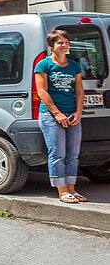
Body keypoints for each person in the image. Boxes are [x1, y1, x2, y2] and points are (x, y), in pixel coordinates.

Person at [35, 29, 86, 203]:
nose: (64, 45)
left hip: (71, 114)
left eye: (67, 42)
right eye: (60, 43)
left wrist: (78, 113)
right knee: (57, 154)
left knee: (73, 154)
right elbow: (42, 91)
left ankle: (72, 188)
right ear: (51, 46)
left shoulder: (74, 66)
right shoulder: (44, 65)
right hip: (50, 115)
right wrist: (57, 114)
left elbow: (79, 91)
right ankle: (62, 191)